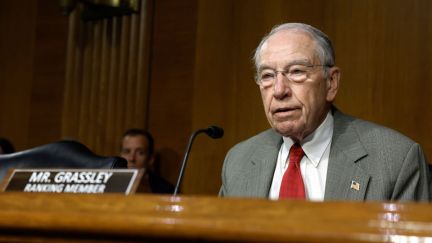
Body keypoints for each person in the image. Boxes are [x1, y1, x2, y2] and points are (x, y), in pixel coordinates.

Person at [219, 23, 430, 201]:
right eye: (267, 75)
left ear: (331, 83)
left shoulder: (395, 160)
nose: (279, 90)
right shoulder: (239, 161)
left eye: (296, 72)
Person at [120, 128, 174, 194]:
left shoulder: (166, 191)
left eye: (140, 152)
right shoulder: (109, 184)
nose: (132, 159)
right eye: (127, 151)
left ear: (151, 159)